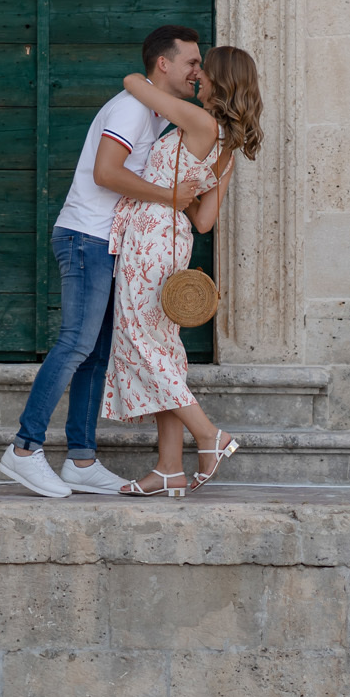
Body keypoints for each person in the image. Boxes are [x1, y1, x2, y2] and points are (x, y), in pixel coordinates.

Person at [0, 25, 206, 498]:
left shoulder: (154, 114)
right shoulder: (133, 109)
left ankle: (81, 459)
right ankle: (25, 450)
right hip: (85, 236)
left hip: (107, 241)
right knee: (75, 344)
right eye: (191, 62)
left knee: (95, 353)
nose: (198, 71)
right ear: (164, 64)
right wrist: (170, 197)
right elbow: (106, 172)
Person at [104, 45, 264, 497]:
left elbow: (135, 84)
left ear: (219, 80)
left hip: (151, 236)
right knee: (163, 349)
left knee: (140, 339)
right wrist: (184, 192)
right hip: (174, 239)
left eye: (203, 72)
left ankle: (208, 434)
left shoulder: (198, 121)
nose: (197, 77)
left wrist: (170, 190)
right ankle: (170, 467)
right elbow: (204, 220)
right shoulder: (227, 148)